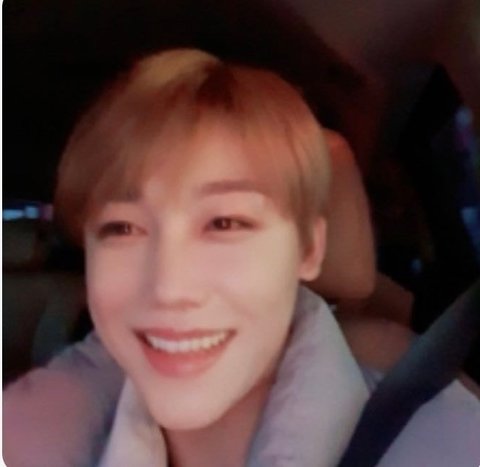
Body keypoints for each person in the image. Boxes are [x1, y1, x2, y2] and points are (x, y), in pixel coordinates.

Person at [3, 49, 480, 467]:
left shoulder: (450, 444)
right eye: (121, 229)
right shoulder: (38, 426)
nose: (168, 287)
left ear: (309, 248)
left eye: (224, 223)